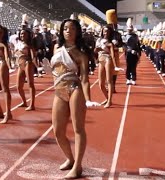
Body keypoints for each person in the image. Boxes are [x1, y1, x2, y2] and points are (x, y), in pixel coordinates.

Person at [42, 18, 99, 179]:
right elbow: (55, 70)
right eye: (65, 28)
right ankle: (70, 158)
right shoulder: (56, 47)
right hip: (59, 90)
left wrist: (87, 99)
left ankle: (78, 166)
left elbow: (85, 79)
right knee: (58, 131)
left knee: (78, 129)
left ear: (77, 32)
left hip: (74, 90)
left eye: (72, 28)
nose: (68, 31)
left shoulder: (81, 55)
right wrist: (47, 69)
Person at [95, 25, 118, 108]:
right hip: (101, 60)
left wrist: (115, 65)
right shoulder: (98, 40)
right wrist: (97, 50)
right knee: (100, 84)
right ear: (102, 31)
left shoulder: (111, 42)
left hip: (108, 59)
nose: (106, 32)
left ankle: (109, 101)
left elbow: (112, 54)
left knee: (109, 81)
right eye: (104, 31)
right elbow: (95, 51)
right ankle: (107, 98)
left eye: (108, 31)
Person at [14, 28, 37, 111]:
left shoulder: (29, 45)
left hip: (28, 64)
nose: (22, 35)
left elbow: (33, 55)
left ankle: (32, 104)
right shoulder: (17, 43)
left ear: (28, 36)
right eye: (21, 34)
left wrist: (36, 65)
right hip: (20, 65)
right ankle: (24, 102)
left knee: (30, 84)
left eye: (24, 34)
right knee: (19, 86)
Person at [124, 18, 141, 85]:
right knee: (128, 66)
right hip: (128, 53)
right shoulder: (125, 36)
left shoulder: (135, 36)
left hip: (134, 53)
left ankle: (133, 79)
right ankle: (128, 79)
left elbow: (138, 45)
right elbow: (124, 45)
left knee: (134, 67)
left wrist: (138, 53)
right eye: (128, 29)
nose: (129, 30)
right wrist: (129, 50)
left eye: (130, 29)